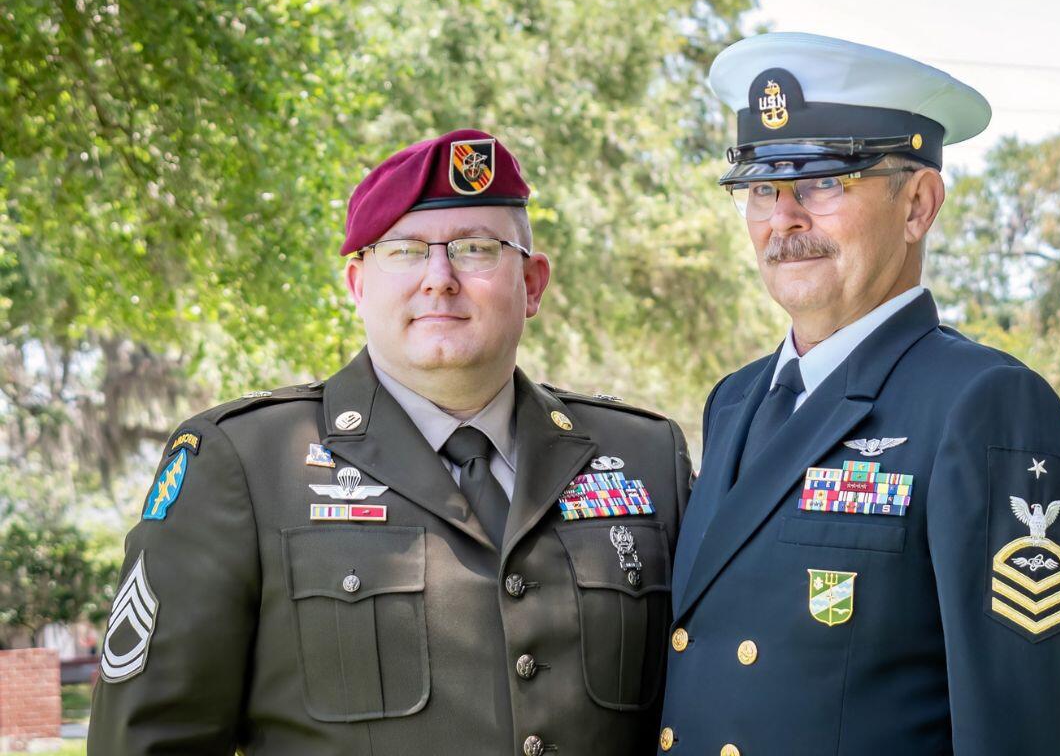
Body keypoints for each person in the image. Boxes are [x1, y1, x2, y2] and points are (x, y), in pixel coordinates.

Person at [89, 129, 691, 756]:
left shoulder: (645, 459)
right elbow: (148, 741)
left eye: (476, 248)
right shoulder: (244, 463)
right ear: (357, 285)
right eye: (403, 251)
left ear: (533, 282)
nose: (439, 278)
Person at [658, 33, 1060, 756]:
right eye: (763, 188)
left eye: (824, 182)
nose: (784, 220)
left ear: (918, 206)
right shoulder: (735, 401)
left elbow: (1028, 726)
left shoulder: (982, 405)